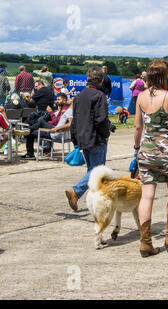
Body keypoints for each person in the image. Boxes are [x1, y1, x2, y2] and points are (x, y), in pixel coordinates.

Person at [133, 59, 168, 257]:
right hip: (166, 155)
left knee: (147, 196)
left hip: (146, 153)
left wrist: (137, 147)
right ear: (165, 75)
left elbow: (138, 127)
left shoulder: (140, 97)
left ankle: (145, 242)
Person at [65, 67, 111, 212]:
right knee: (97, 171)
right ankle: (76, 191)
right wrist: (106, 134)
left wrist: (75, 139)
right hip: (96, 137)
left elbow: (75, 120)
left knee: (92, 169)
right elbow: (101, 119)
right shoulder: (99, 95)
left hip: (83, 137)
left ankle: (95, 200)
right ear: (102, 80)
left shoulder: (79, 96)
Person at [22, 94, 72, 159]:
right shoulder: (64, 109)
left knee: (38, 125)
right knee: (39, 123)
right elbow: (57, 122)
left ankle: (30, 153)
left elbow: (55, 122)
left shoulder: (64, 110)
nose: (57, 101)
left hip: (56, 132)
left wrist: (51, 112)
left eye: (59, 99)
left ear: (64, 100)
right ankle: (28, 130)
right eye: (57, 99)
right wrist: (48, 122)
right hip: (58, 131)